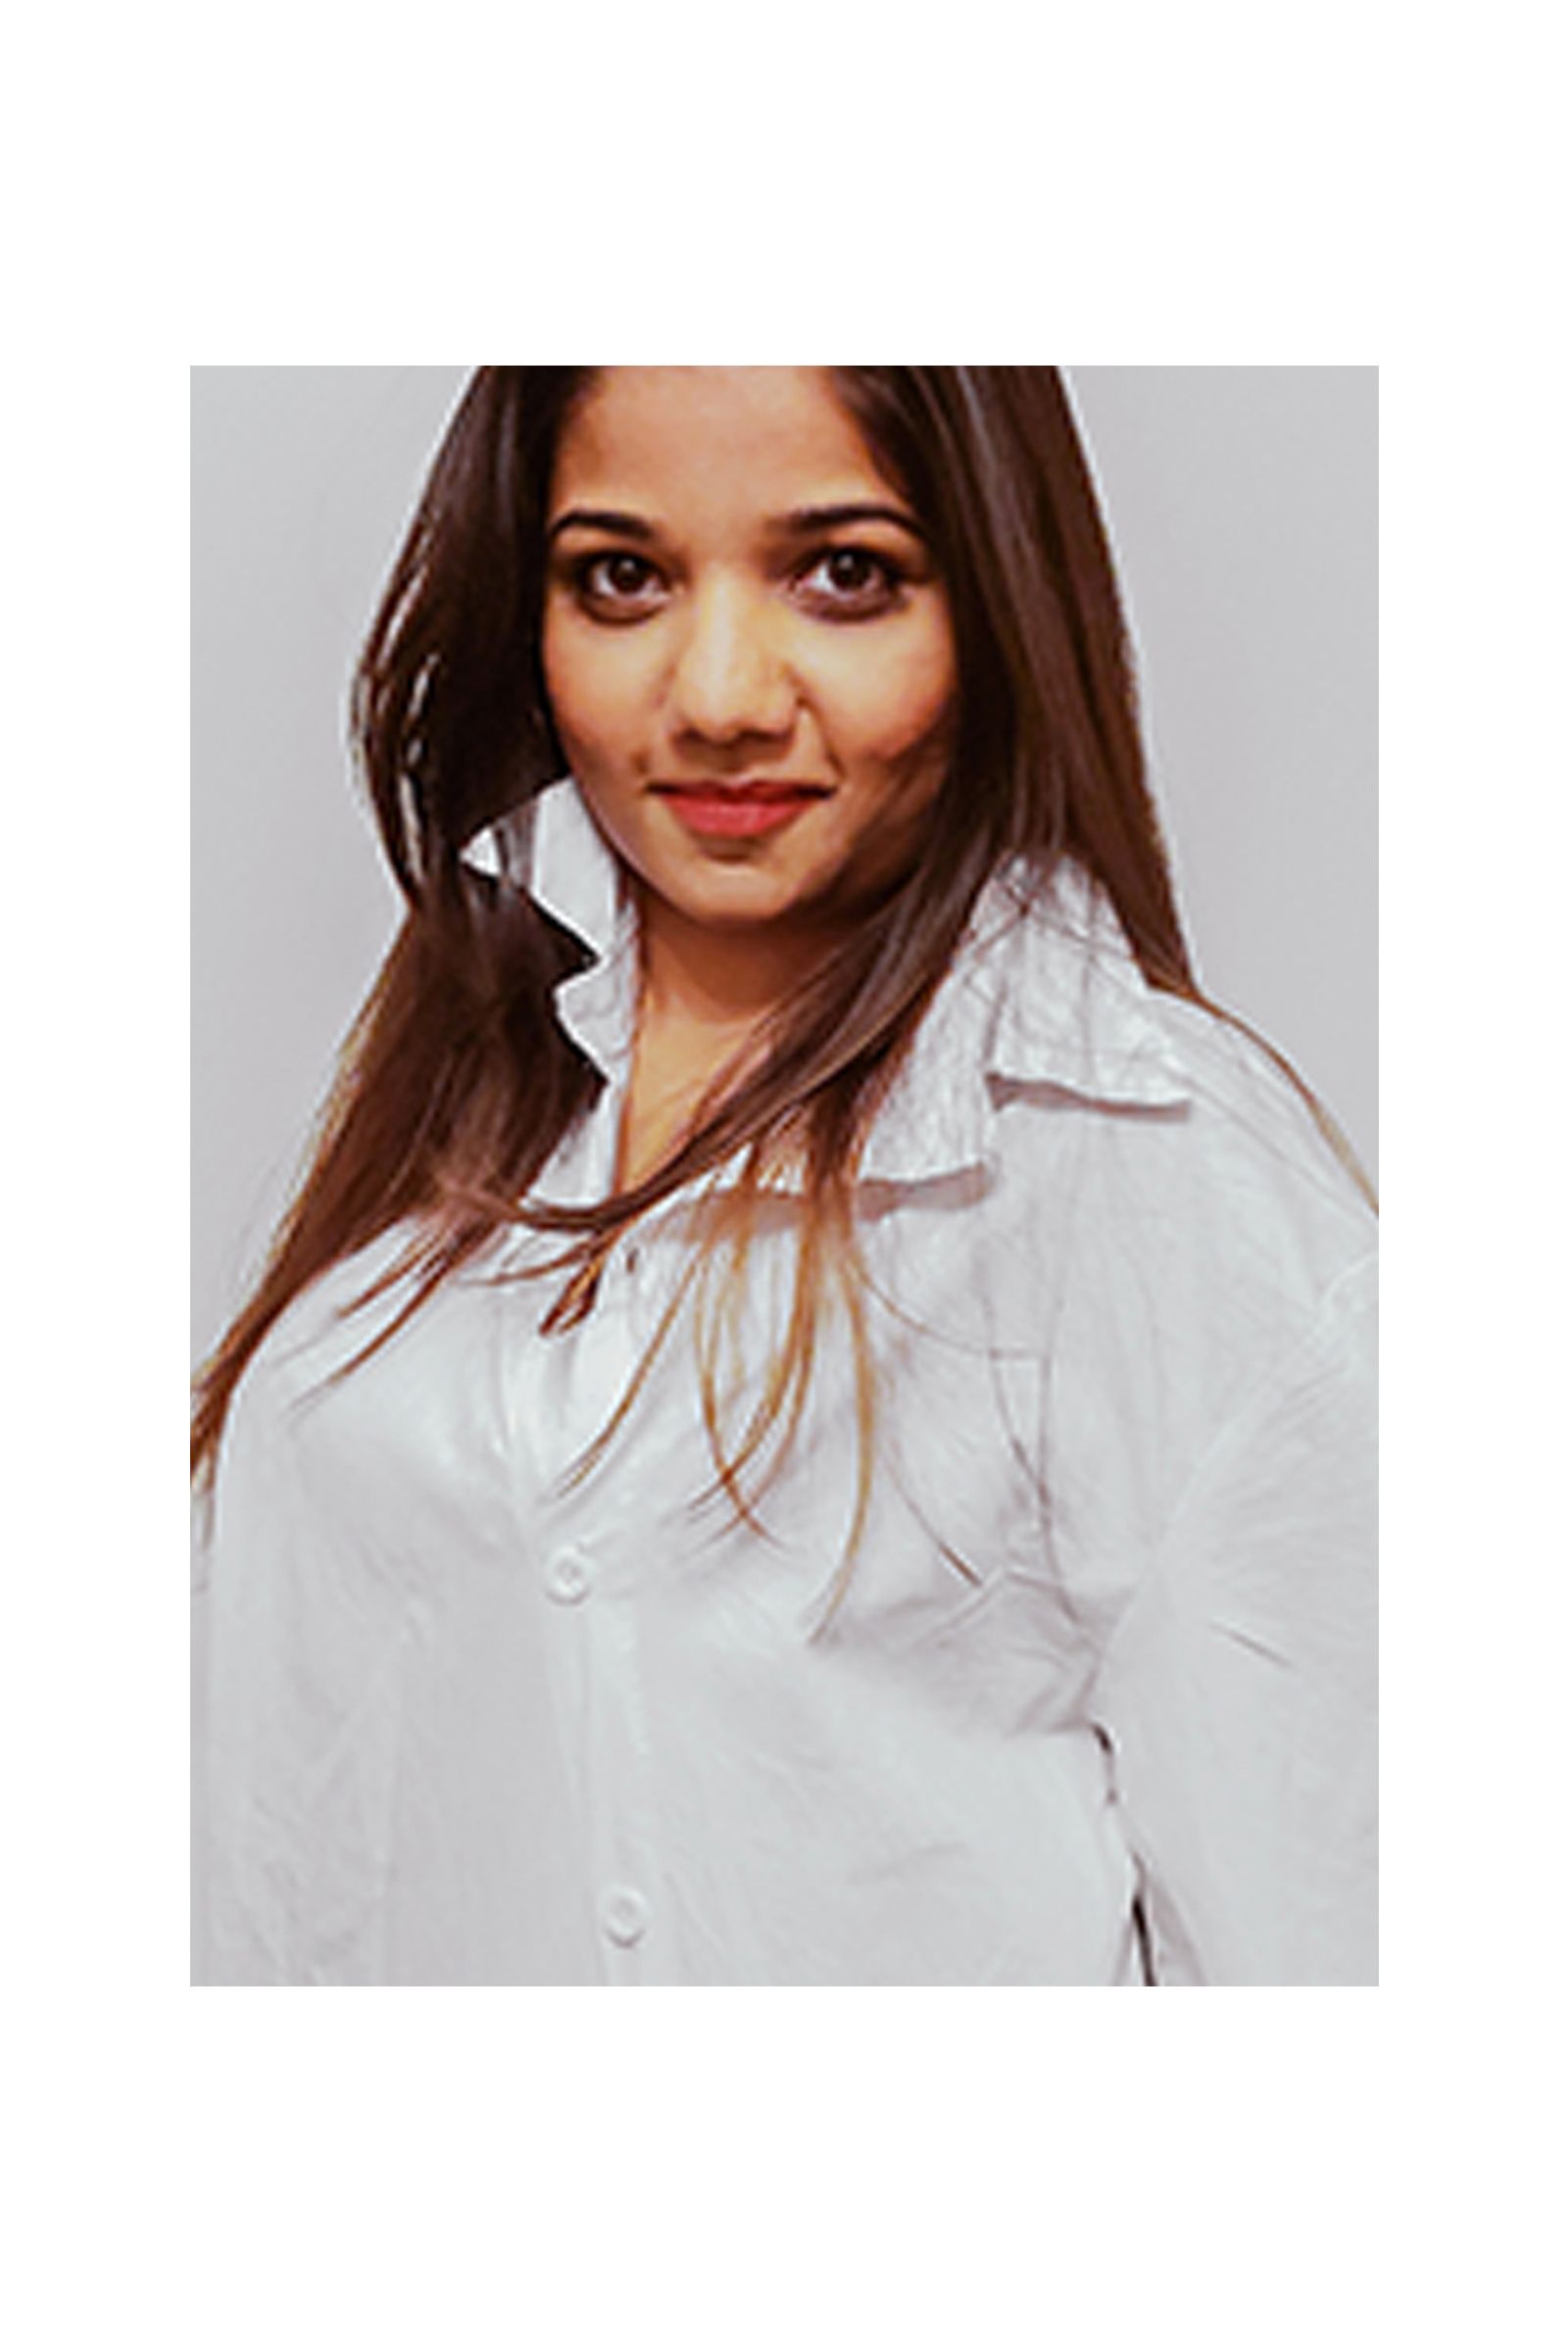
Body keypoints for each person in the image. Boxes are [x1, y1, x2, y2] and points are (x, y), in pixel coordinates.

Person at [191, 367, 1376, 1986]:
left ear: (995, 602)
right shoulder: (467, 1089)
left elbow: (1340, 1926)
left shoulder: (1145, 1156)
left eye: (843, 574)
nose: (724, 692)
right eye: (622, 575)